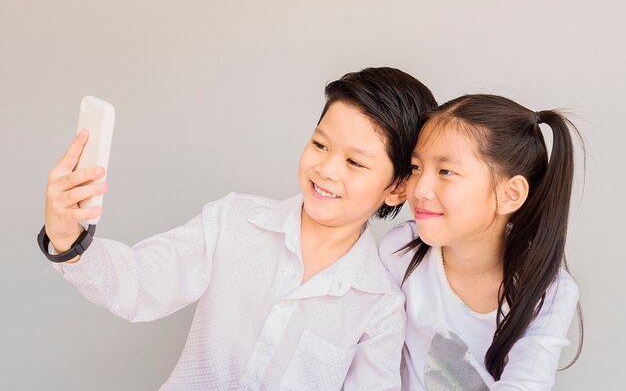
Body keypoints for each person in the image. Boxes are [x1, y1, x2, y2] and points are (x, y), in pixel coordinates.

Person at [40, 67, 438, 390]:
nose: (327, 169)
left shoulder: (379, 305)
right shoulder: (233, 222)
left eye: (355, 163)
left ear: (398, 187)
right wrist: (67, 237)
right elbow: (139, 283)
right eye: (320, 145)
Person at [380, 94, 582, 390]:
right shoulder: (400, 251)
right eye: (415, 168)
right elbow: (371, 361)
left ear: (510, 194)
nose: (419, 189)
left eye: (445, 171)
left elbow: (526, 384)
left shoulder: (550, 290)